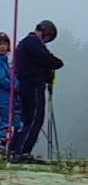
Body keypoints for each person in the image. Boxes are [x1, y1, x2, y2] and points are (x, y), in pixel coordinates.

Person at [10, 20, 63, 163]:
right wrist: (57, 63)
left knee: (26, 120)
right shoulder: (33, 42)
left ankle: (14, 150)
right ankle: (22, 152)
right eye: (48, 38)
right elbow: (46, 59)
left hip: (25, 84)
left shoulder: (24, 43)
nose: (46, 42)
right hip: (33, 85)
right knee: (34, 119)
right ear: (45, 33)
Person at [0, 32, 21, 154]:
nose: (3, 47)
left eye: (5, 44)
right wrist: (15, 87)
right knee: (5, 123)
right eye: (0, 44)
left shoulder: (6, 62)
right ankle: (2, 146)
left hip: (9, 98)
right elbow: (2, 80)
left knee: (11, 123)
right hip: (3, 97)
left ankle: (8, 148)